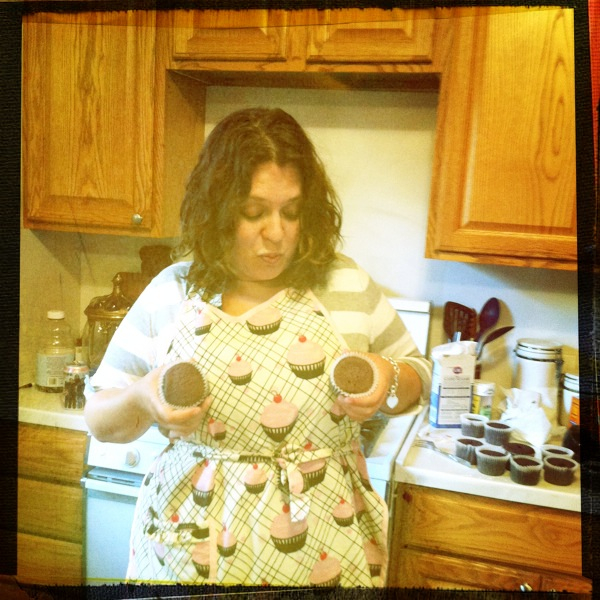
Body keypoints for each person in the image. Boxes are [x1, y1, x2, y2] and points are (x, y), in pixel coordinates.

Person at [84, 107, 432, 587]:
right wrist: (143, 397)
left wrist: (389, 376)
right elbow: (99, 418)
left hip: (326, 547)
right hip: (193, 550)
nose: (277, 233)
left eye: (291, 211)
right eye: (253, 213)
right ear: (216, 211)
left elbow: (420, 375)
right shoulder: (174, 292)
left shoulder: (346, 284)